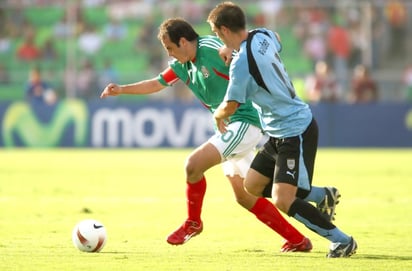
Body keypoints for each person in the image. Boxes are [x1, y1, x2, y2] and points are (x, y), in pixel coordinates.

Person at [99, 18, 337, 252]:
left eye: (170, 48)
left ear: (183, 41)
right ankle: (299, 237)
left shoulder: (211, 48)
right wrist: (121, 89)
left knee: (193, 165)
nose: (169, 54)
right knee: (244, 196)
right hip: (229, 126)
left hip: (245, 121)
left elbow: (244, 51)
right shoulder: (182, 65)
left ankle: (193, 222)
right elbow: (156, 83)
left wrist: (229, 49)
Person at [207, 2, 357, 258]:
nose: (218, 39)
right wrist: (233, 47)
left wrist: (217, 114)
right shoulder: (263, 34)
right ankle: (322, 195)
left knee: (282, 199)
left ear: (224, 29)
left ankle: (342, 240)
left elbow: (231, 105)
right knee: (252, 185)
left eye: (218, 34)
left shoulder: (241, 62)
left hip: (294, 130)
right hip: (277, 131)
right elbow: (277, 39)